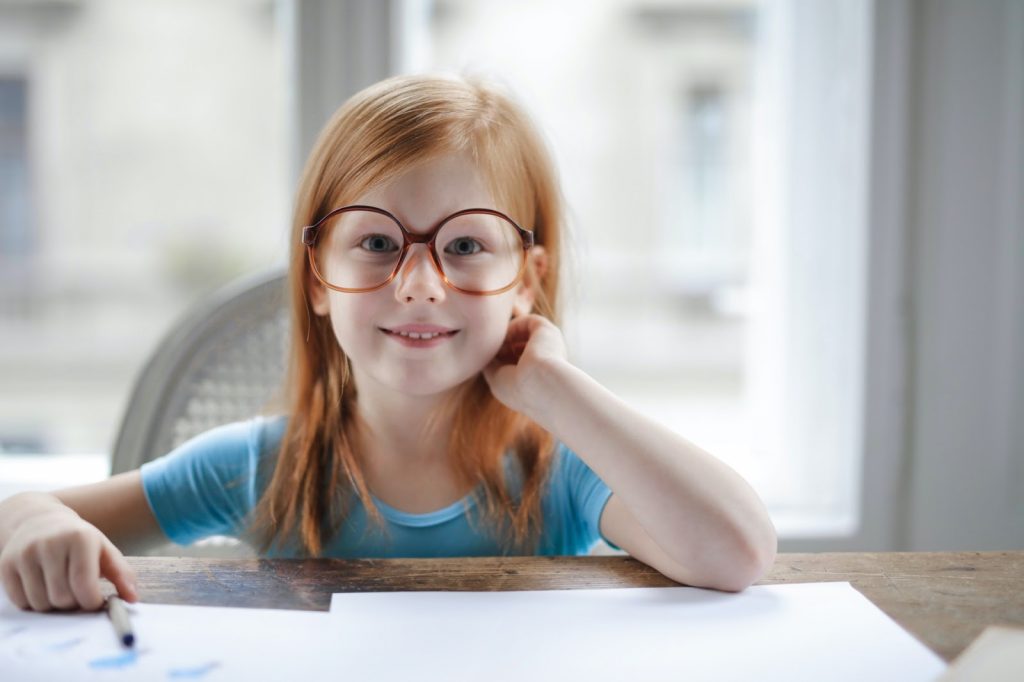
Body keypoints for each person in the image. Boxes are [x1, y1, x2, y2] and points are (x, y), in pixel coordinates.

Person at [0, 74, 777, 612]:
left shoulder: (561, 472)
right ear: (315, 278)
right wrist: (34, 523)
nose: (418, 285)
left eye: (467, 247)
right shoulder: (259, 468)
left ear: (527, 279)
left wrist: (555, 388)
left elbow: (738, 551)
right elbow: (24, 514)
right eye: (375, 242)